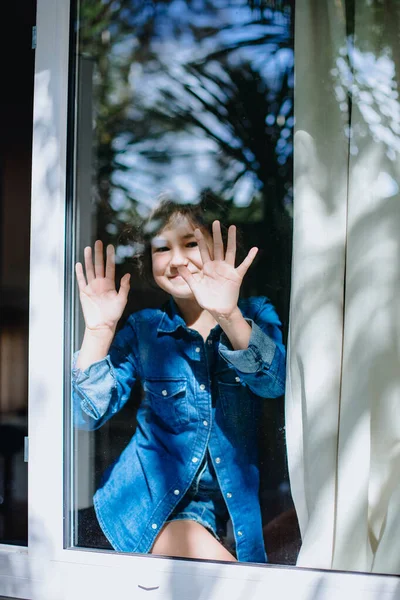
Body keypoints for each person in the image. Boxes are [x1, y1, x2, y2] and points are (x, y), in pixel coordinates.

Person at [72, 201, 286, 563]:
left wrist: (228, 315)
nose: (175, 260)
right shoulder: (145, 329)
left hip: (233, 519)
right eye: (161, 248)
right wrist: (99, 331)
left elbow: (274, 383)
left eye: (190, 243)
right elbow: (84, 415)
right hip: (154, 510)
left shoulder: (255, 313)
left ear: (218, 246)